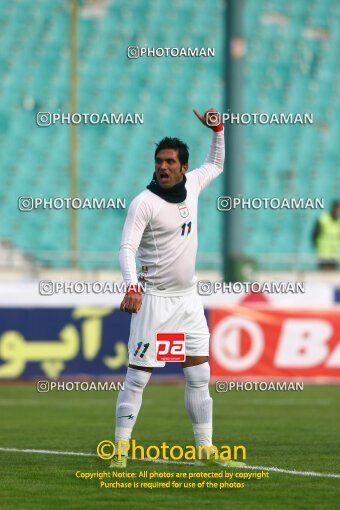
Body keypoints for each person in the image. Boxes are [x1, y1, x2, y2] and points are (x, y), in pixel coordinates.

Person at [112, 108, 244, 469]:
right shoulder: (144, 203)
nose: (163, 167)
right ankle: (120, 452)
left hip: (188, 300)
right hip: (153, 300)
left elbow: (215, 163)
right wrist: (132, 286)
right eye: (159, 161)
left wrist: (218, 129)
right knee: (138, 378)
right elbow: (126, 248)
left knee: (200, 375)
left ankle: (205, 450)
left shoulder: (193, 185)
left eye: (170, 161)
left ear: (183, 167)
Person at [312, 201, 340, 270]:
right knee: (323, 276)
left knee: (332, 277)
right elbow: (314, 234)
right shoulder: (323, 219)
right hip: (323, 253)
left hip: (334, 254)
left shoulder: (338, 221)